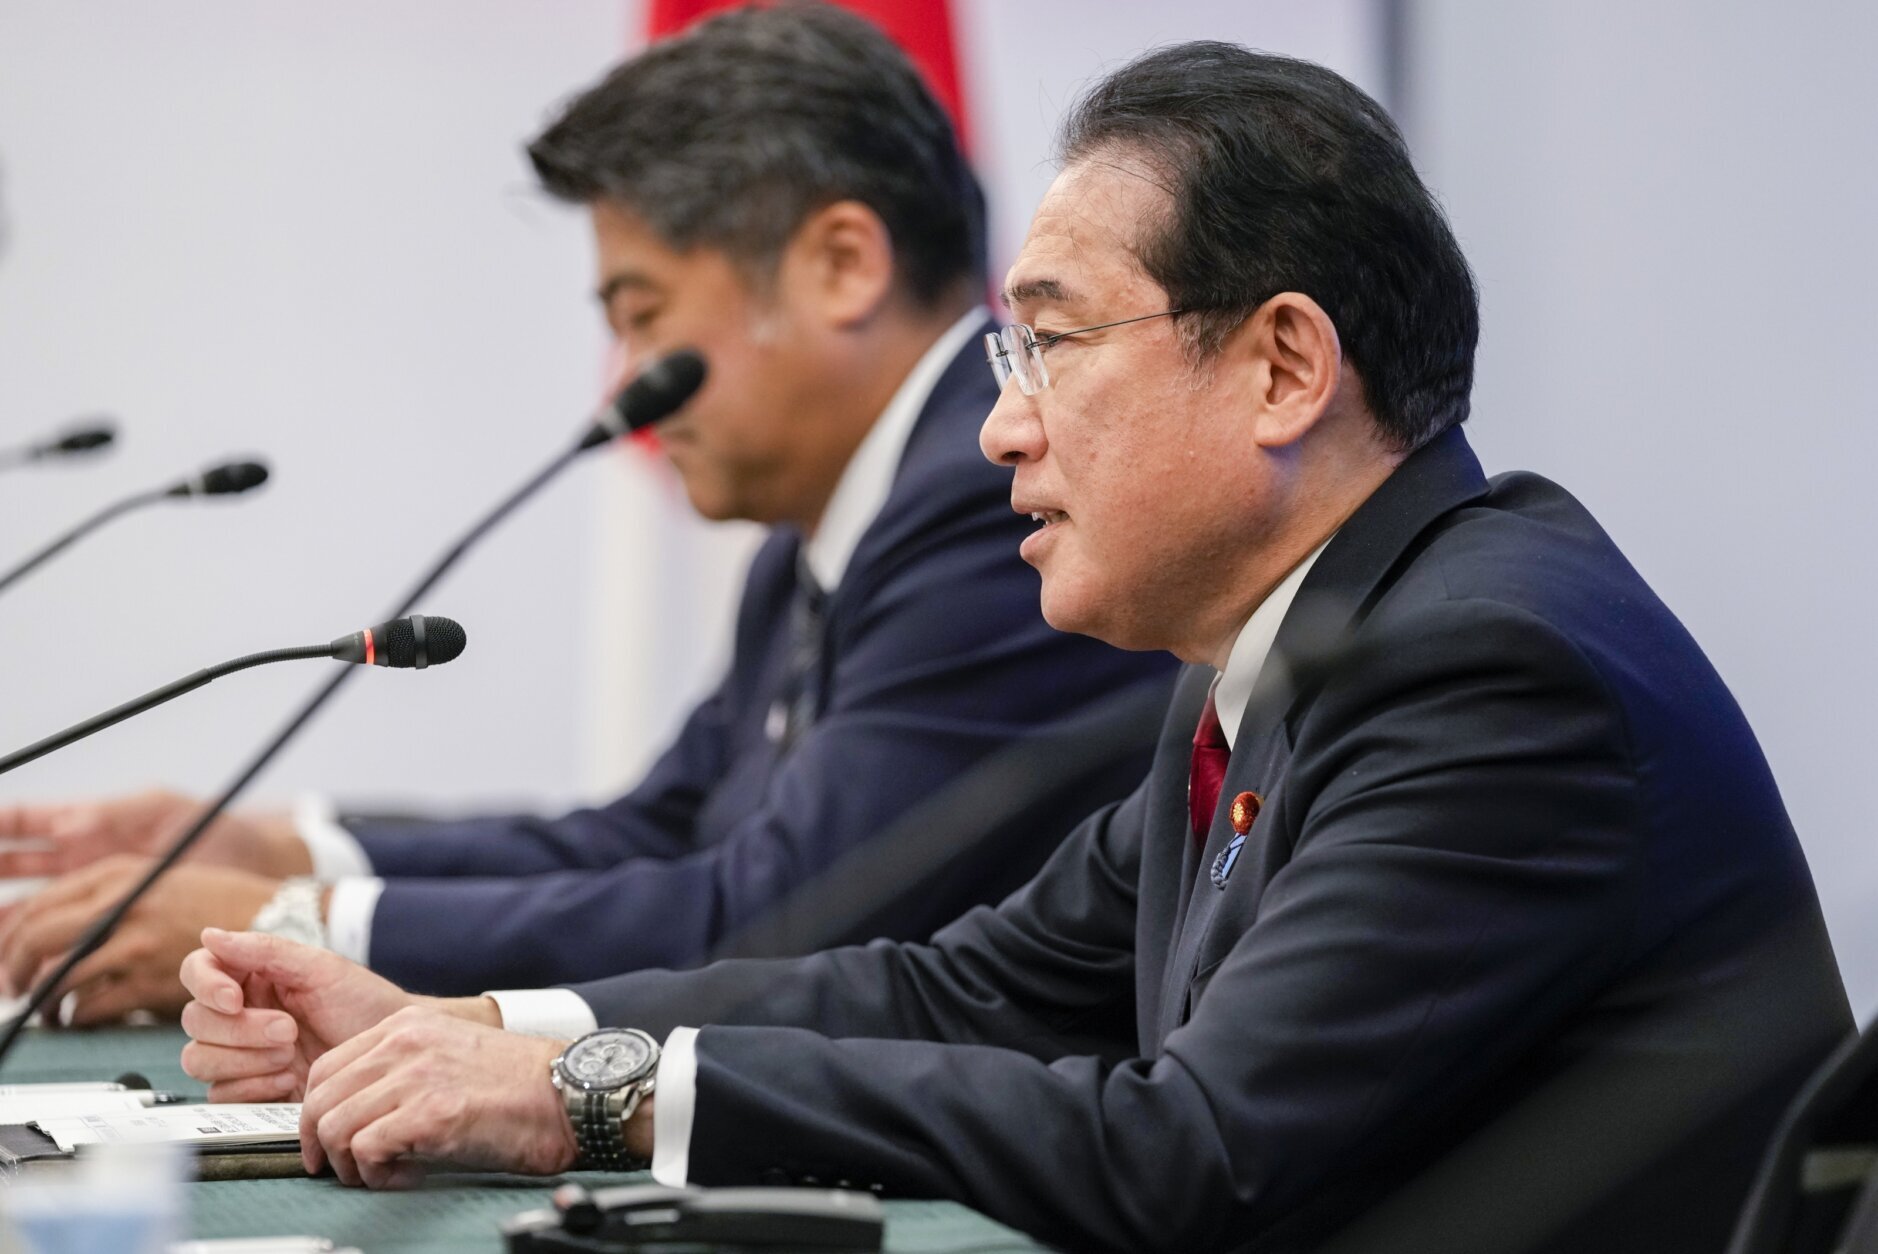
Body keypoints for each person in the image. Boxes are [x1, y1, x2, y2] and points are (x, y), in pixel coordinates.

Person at [174, 41, 1851, 1254]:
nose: (999, 430)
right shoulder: (1287, 647)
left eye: (1049, 345)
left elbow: (1189, 1150)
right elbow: (955, 986)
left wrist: (585, 1094)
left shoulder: (1488, 673)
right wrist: (475, 1020)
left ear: (1280, 368)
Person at [0, 7, 1174, 1019]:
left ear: (841, 265)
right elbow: (655, 831)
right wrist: (281, 849)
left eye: (645, 314)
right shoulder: (826, 528)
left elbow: (776, 912)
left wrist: (294, 922)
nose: (625, 385)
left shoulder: (987, 498)